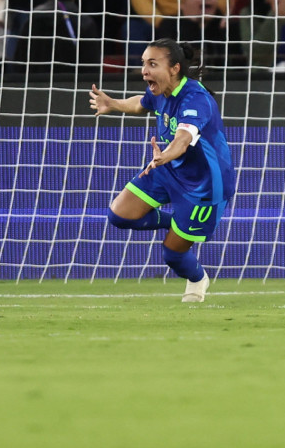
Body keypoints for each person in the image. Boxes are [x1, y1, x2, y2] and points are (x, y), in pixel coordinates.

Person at [88, 39, 236, 303]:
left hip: (203, 186)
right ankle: (176, 222)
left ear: (174, 68)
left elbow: (182, 138)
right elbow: (140, 103)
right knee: (119, 215)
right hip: (168, 169)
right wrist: (112, 104)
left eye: (152, 64)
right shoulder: (159, 93)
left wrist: (166, 155)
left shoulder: (195, 99)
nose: (144, 70)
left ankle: (198, 278)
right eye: (144, 63)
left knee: (172, 255)